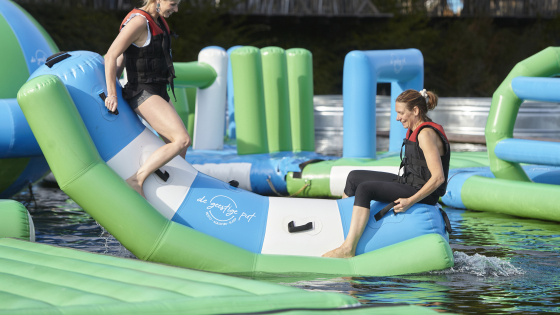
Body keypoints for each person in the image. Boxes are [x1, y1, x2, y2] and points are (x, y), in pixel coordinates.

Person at [322, 89, 450, 258]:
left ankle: (348, 248)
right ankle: (341, 228)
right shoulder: (415, 129)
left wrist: (410, 201)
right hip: (409, 182)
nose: (398, 118)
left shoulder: (425, 134)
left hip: (423, 192)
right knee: (354, 177)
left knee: (365, 189)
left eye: (401, 113)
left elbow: (438, 178)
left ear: (416, 111)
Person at [104, 0, 190, 198]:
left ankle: (172, 191)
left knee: (181, 152)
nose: (176, 9)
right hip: (142, 90)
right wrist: (112, 92)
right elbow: (111, 55)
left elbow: (129, 53)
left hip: (158, 89)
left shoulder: (157, 21)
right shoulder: (139, 21)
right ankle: (136, 179)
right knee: (182, 140)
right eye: (173, 4)